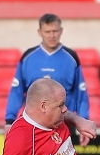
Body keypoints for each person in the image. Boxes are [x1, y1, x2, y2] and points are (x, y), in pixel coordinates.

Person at [5, 13, 89, 143]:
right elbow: (16, 91)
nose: (52, 35)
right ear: (40, 32)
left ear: (61, 31)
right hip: (34, 125)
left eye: (55, 31)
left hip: (63, 124)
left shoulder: (71, 58)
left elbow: (81, 93)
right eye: (48, 31)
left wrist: (83, 120)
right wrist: (9, 120)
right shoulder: (28, 57)